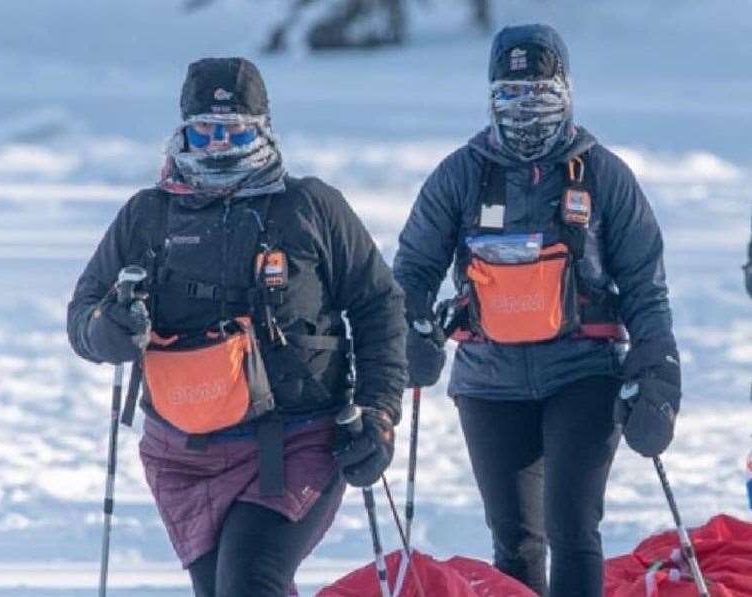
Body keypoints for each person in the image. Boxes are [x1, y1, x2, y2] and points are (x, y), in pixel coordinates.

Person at [67, 57, 406, 597]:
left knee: (250, 582)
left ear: (263, 131)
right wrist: (110, 329)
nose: (218, 144)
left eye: (234, 131)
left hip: (297, 441)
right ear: (182, 133)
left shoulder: (309, 207)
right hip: (183, 455)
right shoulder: (147, 216)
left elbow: (379, 305)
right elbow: (83, 315)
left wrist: (379, 412)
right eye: (204, 130)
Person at [393, 24, 680, 597]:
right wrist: (413, 333)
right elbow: (411, 273)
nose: (526, 112)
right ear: (491, 98)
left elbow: (646, 289)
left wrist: (657, 377)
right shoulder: (461, 174)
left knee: (573, 527)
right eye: (511, 96)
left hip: (584, 374)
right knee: (516, 539)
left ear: (566, 93)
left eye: (540, 96)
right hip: (488, 382)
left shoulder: (603, 175)